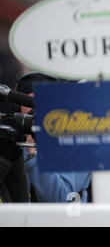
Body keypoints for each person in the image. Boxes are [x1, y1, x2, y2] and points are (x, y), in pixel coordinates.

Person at [15, 72, 92, 203]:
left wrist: (33, 156)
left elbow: (61, 199)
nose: (35, 108)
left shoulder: (74, 143)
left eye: (40, 100)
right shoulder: (14, 142)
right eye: (28, 101)